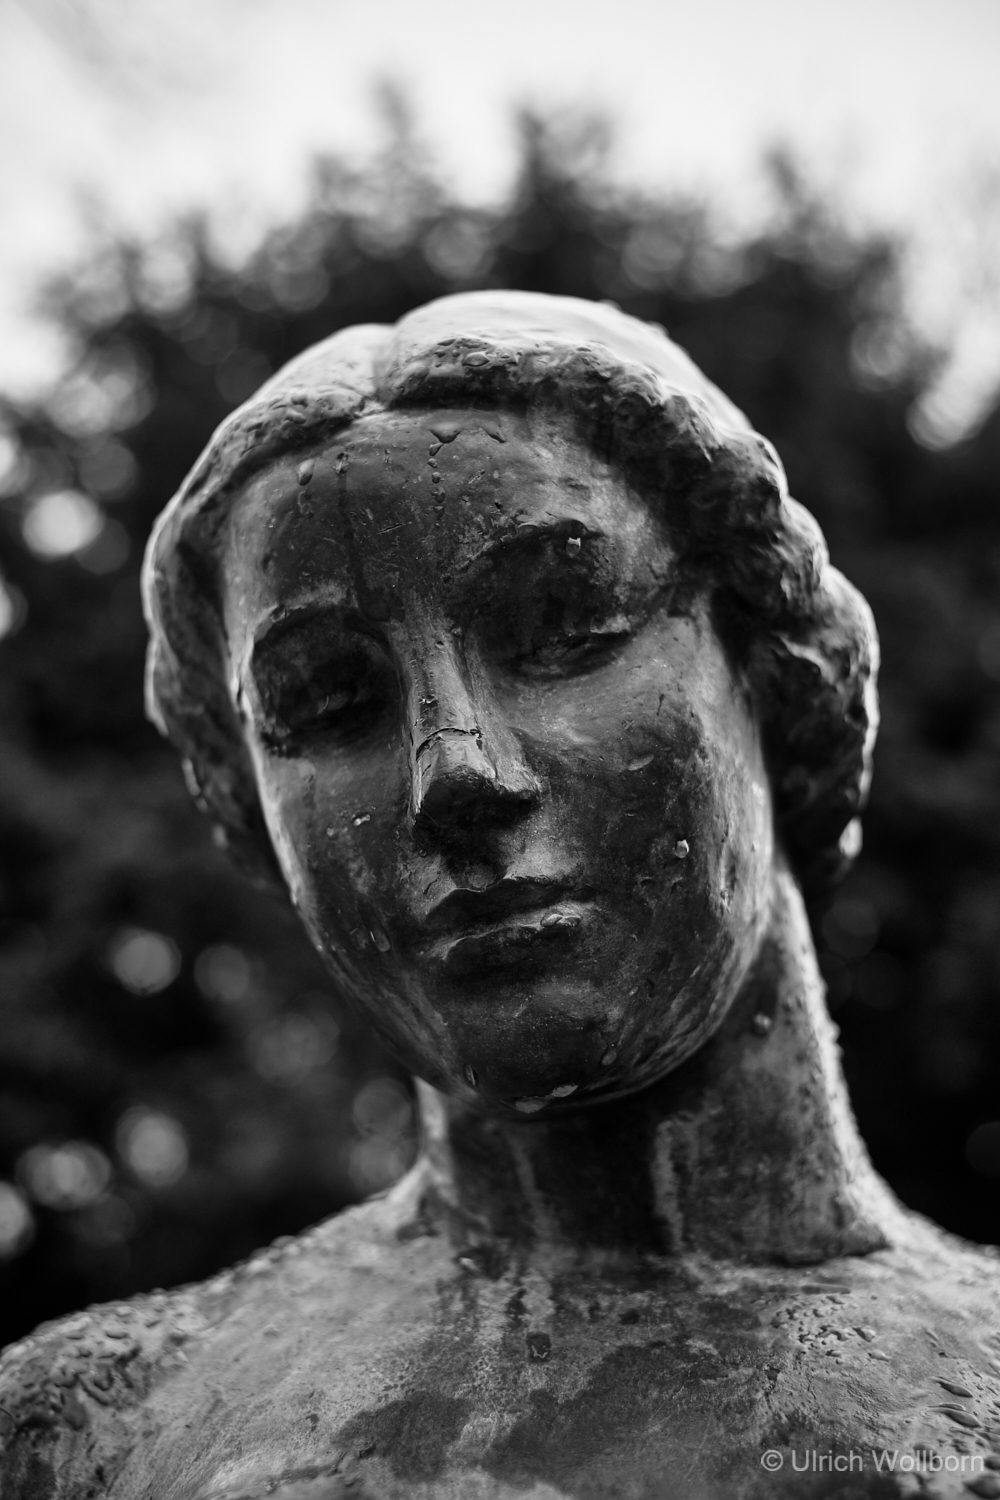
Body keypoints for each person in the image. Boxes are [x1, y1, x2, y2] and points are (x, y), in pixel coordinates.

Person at [3, 291, 1000, 1500]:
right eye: (327, 703)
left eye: (564, 624)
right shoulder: (94, 1438)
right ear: (252, 816)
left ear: (779, 677)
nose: (454, 772)